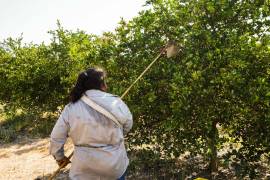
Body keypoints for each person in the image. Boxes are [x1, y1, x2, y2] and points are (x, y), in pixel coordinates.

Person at [50, 67, 133, 180]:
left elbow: (56, 137)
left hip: (83, 170)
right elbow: (128, 125)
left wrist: (59, 158)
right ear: (102, 84)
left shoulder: (71, 107)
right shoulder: (116, 102)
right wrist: (113, 137)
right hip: (114, 167)